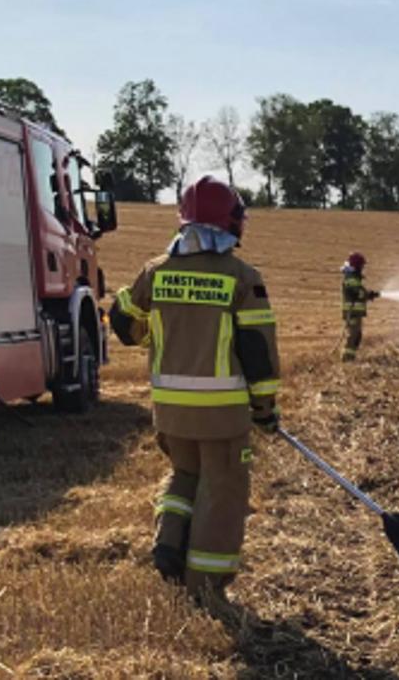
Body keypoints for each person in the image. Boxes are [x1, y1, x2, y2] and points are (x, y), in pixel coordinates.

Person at [108, 176, 281, 614]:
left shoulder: (156, 270)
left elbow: (123, 321)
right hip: (221, 416)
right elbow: (257, 353)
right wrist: (264, 408)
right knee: (222, 494)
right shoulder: (243, 279)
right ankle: (205, 588)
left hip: (170, 413)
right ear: (231, 223)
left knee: (185, 474)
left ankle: (168, 543)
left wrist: (153, 327)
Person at [339, 252, 380, 361]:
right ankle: (346, 359)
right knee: (353, 336)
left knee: (357, 335)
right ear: (357, 265)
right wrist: (369, 294)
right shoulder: (352, 278)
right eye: (362, 265)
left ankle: (350, 358)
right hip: (352, 312)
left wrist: (369, 294)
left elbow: (359, 293)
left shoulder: (353, 277)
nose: (363, 268)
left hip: (354, 312)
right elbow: (358, 293)